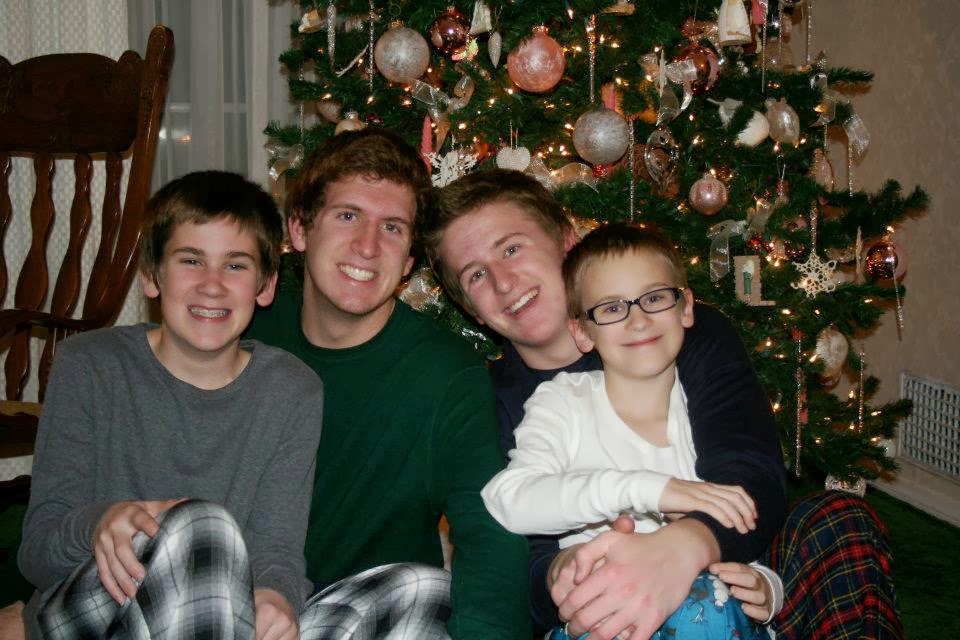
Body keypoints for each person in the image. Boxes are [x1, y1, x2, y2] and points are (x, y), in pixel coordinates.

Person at [424, 168, 903, 640]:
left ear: (567, 243)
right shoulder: (485, 400)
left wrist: (687, 547)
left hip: (722, 558)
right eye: (476, 274)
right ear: (469, 308)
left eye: (511, 248)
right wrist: (561, 575)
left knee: (838, 520)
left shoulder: (679, 332)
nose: (503, 281)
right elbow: (505, 549)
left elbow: (747, 474)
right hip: (597, 601)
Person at [245, 129, 530, 639]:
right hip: (244, 603)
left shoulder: (446, 373)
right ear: (299, 229)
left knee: (427, 588)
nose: (368, 246)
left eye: (393, 228)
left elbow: (489, 532)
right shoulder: (247, 334)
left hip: (376, 613)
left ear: (409, 262)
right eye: (347, 216)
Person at [18, 171, 325, 640]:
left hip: (222, 613)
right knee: (202, 528)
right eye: (191, 261)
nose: (212, 285)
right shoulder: (90, 365)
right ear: (151, 275)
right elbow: (37, 552)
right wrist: (97, 524)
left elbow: (276, 549)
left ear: (265, 286)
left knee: (417, 590)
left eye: (236, 265)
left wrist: (274, 595)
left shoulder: (292, 391)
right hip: (97, 611)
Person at [482, 222, 783, 639]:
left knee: (707, 604)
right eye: (611, 308)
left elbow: (740, 534)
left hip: (706, 614)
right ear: (581, 332)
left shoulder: (706, 411)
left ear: (686, 307)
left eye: (655, 298)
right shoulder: (562, 403)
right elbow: (508, 499)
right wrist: (650, 490)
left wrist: (768, 587)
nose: (638, 320)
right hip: (599, 619)